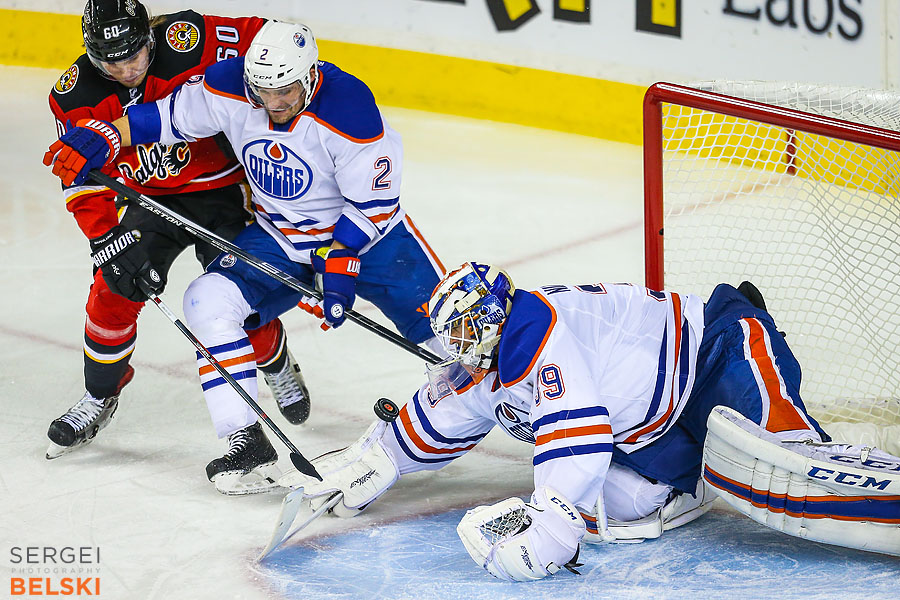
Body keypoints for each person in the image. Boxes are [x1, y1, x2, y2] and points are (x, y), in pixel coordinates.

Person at [267, 262, 900, 578]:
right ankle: (690, 481)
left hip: (716, 353)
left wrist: (553, 517)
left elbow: (579, 434)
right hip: (652, 426)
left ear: (492, 315)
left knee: (787, 478)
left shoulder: (531, 333)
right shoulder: (484, 354)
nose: (456, 344)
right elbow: (436, 418)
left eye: (465, 327)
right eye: (449, 332)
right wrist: (375, 459)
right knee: (624, 502)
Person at [44, 21, 446, 495]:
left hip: (374, 243)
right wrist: (106, 137)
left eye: (285, 91)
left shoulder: (349, 106)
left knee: (451, 341)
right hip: (279, 238)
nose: (273, 103)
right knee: (207, 302)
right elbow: (165, 117)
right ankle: (247, 442)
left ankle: (512, 415)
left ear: (310, 74)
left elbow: (373, 204)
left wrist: (339, 262)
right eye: (262, 91)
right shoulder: (230, 85)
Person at [42, 1, 311, 469]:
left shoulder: (186, 39)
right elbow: (80, 174)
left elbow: (268, 37)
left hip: (222, 190)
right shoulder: (73, 94)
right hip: (148, 202)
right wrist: (104, 238)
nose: (126, 69)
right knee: (112, 290)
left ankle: (276, 362)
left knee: (239, 294)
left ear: (149, 37)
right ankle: (99, 396)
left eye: (135, 55)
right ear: (90, 54)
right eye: (111, 61)